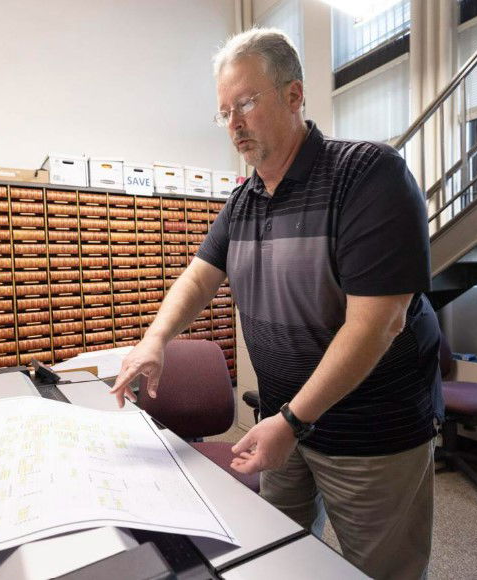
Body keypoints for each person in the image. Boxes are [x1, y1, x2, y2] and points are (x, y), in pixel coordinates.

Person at [109, 28, 442, 579]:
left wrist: (292, 420)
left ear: (294, 96)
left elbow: (378, 323)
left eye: (245, 103)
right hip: (282, 428)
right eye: (224, 112)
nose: (234, 124)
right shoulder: (244, 200)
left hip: (371, 437)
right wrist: (155, 341)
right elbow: (197, 277)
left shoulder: (367, 174)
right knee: (278, 562)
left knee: (383, 571)